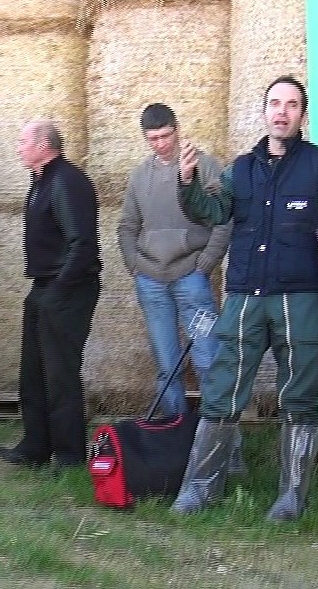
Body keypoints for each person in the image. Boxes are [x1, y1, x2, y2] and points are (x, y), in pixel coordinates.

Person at [172, 75, 318, 522]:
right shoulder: (240, 169)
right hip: (245, 298)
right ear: (264, 112)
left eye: (292, 104)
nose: (282, 112)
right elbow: (212, 211)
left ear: (302, 115)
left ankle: (291, 498)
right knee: (221, 390)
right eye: (275, 103)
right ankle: (200, 488)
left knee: (300, 397)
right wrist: (187, 182)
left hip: (302, 301)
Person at [0, 120, 101, 469]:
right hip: (43, 286)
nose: (18, 147)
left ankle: (69, 456)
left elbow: (83, 243)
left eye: (22, 141)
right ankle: (35, 447)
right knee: (33, 372)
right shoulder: (41, 180)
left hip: (68, 288)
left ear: (43, 145)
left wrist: (59, 290)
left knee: (60, 374)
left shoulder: (67, 181)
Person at [116, 103, 229, 417]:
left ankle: (217, 436)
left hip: (192, 278)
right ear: (145, 138)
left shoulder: (205, 166)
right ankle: (175, 434)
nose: (161, 143)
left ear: (177, 130)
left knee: (208, 359)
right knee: (167, 366)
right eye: (153, 138)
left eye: (166, 136)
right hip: (151, 280)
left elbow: (225, 218)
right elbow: (127, 225)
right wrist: (133, 263)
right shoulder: (140, 176)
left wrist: (206, 263)